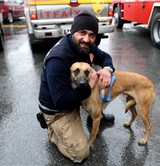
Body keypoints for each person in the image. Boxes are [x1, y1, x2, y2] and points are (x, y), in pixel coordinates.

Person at [38, 12, 115, 163]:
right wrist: (90, 85)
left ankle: (95, 114)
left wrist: (107, 69)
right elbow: (60, 102)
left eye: (92, 35)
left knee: (97, 87)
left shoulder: (86, 47)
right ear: (73, 32)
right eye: (82, 33)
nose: (86, 39)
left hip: (74, 96)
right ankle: (52, 130)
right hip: (57, 109)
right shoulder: (58, 59)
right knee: (80, 155)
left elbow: (105, 57)